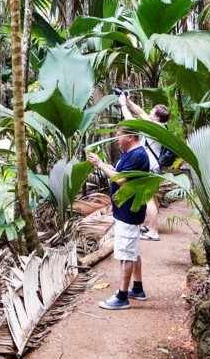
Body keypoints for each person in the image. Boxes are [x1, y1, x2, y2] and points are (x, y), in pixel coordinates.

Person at [87, 127, 150, 310]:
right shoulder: (128, 153)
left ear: (129, 137)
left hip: (130, 211)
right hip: (124, 210)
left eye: (118, 136)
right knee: (133, 250)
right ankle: (137, 288)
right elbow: (116, 171)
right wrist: (101, 163)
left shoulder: (138, 155)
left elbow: (121, 179)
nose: (116, 140)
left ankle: (122, 297)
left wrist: (100, 164)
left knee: (126, 254)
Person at [119, 94, 171, 241]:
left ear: (156, 117)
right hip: (155, 166)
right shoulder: (161, 126)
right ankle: (151, 225)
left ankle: (154, 232)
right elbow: (141, 112)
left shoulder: (153, 127)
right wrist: (128, 101)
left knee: (147, 198)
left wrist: (123, 105)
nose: (148, 113)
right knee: (152, 197)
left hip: (150, 166)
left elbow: (131, 122)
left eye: (152, 112)